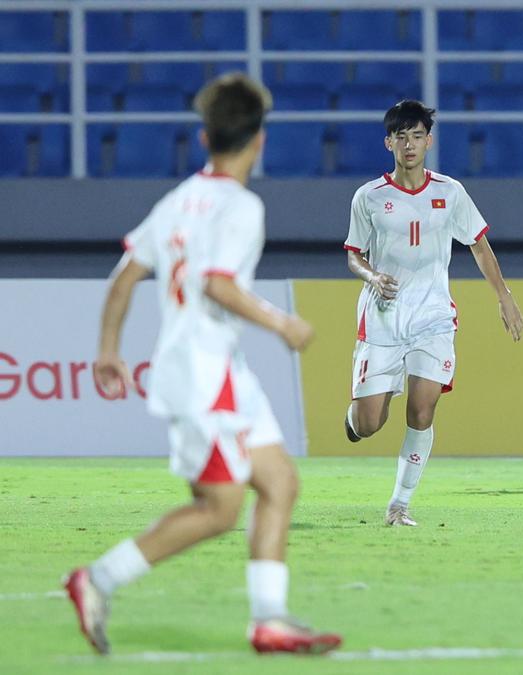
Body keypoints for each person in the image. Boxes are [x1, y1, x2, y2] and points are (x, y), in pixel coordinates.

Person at [64, 73, 341, 655]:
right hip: (204, 375)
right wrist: (283, 323)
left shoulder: (176, 200)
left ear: (204, 136)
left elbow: (124, 278)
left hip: (219, 371)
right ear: (259, 140)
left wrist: (108, 352)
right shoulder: (241, 206)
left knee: (280, 482)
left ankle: (269, 620)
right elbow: (218, 284)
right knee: (218, 509)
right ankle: (98, 579)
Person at [341, 100, 523, 527]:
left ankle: (399, 505)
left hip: (433, 316)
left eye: (417, 135)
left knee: (422, 410)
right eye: (401, 136)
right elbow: (353, 255)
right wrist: (371, 276)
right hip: (384, 316)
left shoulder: (450, 192)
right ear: (389, 142)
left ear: (429, 140)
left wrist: (504, 296)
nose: (409, 144)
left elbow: (479, 245)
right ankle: (354, 420)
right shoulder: (369, 197)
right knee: (370, 423)